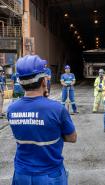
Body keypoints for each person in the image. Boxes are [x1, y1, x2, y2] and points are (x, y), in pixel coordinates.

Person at [7, 55, 77, 185]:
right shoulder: (57, 109)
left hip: (21, 175)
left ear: (20, 83)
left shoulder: (11, 109)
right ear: (44, 81)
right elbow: (72, 138)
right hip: (50, 175)